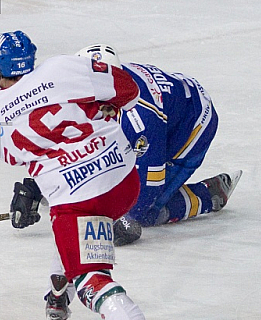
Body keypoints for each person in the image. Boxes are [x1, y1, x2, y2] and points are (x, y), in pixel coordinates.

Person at [0, 31, 155, 320]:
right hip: (123, 181)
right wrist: (106, 107)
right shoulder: (63, 67)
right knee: (79, 236)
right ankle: (58, 295)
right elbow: (130, 89)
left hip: (76, 200)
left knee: (91, 279)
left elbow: (15, 157)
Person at [75, 44, 242, 246]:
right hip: (172, 104)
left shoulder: (140, 117)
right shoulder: (106, 77)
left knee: (142, 212)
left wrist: (122, 215)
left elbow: (148, 186)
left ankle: (208, 194)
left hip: (192, 127)